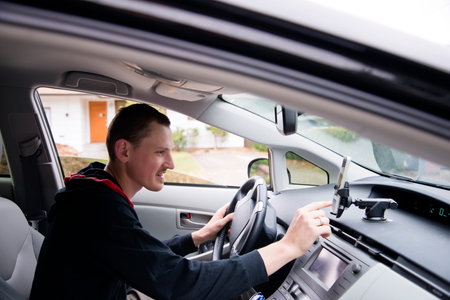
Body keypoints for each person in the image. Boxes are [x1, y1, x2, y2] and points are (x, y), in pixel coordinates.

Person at [30, 104, 331, 300]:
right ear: (124, 151)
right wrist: (288, 247)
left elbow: (141, 256)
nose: (171, 163)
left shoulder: (97, 189)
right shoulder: (98, 209)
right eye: (161, 152)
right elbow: (177, 283)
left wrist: (197, 237)